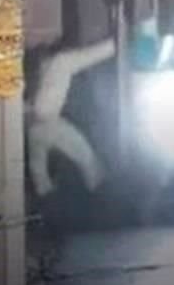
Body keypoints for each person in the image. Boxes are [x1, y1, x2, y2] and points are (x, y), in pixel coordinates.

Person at [25, 38, 115, 197]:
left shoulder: (42, 67)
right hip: (48, 122)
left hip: (35, 126)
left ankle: (45, 197)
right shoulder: (61, 62)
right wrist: (114, 45)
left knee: (39, 171)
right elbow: (88, 56)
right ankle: (100, 193)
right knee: (86, 157)